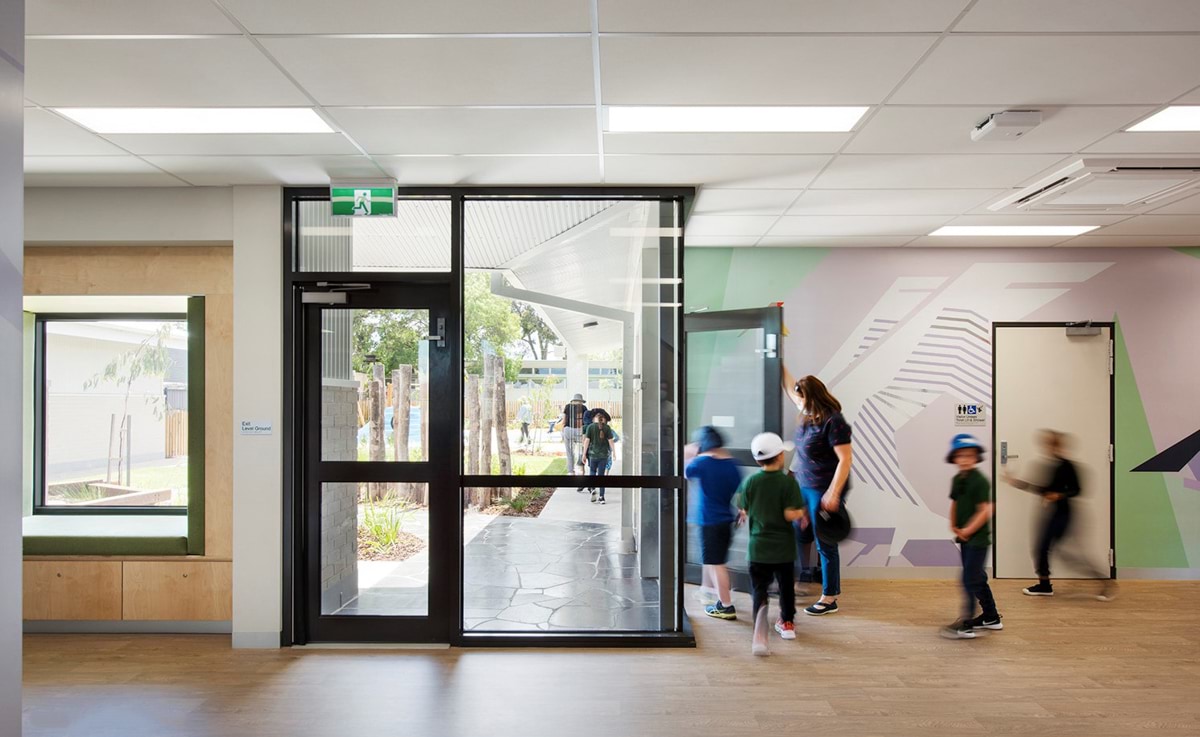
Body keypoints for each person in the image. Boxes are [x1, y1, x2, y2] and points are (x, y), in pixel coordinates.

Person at [1003, 430, 1115, 601]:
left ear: (1059, 445)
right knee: (1042, 549)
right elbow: (1041, 489)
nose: (1048, 447)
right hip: (1051, 513)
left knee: (1064, 555)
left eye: (1052, 443)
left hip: (1064, 513)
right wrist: (1015, 482)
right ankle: (1045, 585)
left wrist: (1059, 495)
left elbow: (1077, 490)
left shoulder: (1068, 466)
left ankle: (1103, 580)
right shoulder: (1051, 466)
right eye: (1047, 443)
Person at [782, 370, 852, 616]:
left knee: (825, 543)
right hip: (805, 486)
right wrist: (778, 347)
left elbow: (845, 460)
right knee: (798, 531)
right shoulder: (808, 413)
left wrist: (833, 493)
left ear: (813, 397)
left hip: (824, 488)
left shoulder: (834, 421)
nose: (799, 403)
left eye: (802, 399)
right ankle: (801, 578)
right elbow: (791, 388)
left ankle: (830, 596)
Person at [736, 432, 807, 656]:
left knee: (759, 589)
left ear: (758, 460)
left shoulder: (750, 482)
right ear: (779, 457)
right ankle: (786, 623)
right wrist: (802, 512)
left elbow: (743, 509)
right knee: (786, 588)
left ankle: (760, 629)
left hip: (757, 548)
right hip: (783, 549)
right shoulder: (787, 483)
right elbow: (789, 514)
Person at [941, 433, 1004, 640]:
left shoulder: (980, 481)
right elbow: (956, 502)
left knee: (969, 578)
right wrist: (953, 524)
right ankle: (991, 616)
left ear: (977, 457)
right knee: (977, 577)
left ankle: (966, 623)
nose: (966, 459)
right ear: (954, 458)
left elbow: (986, 510)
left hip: (978, 540)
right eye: (961, 455)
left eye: (970, 455)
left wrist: (968, 530)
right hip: (965, 539)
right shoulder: (958, 479)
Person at [684, 426, 742, 620]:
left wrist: (689, 452)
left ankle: (726, 605)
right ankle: (707, 590)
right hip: (725, 518)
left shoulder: (702, 463)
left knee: (717, 563)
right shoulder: (732, 465)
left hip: (709, 520)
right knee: (712, 559)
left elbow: (686, 471)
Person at [582, 411, 616, 504]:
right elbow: (611, 441)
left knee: (592, 472)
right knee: (601, 476)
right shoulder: (607, 428)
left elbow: (586, 441)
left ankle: (593, 488)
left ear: (594, 419)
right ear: (603, 419)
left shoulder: (590, 427)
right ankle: (602, 497)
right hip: (603, 456)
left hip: (593, 455)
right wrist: (614, 453)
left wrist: (584, 454)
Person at [559, 393, 589, 477]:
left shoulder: (568, 406)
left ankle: (571, 472)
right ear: (581, 401)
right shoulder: (584, 408)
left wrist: (562, 431)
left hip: (568, 430)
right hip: (580, 431)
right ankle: (580, 468)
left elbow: (564, 420)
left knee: (569, 452)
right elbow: (586, 421)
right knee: (581, 450)